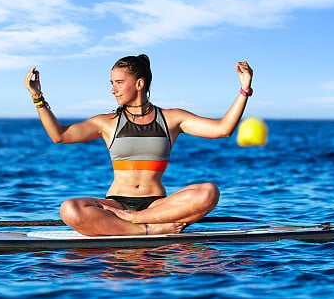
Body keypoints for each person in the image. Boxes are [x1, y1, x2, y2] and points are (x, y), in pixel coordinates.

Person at [24, 54, 254, 237]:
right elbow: (60, 135)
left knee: (208, 192)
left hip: (157, 206)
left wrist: (244, 90)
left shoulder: (172, 119)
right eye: (112, 83)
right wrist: (38, 97)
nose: (113, 89)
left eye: (119, 83)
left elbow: (223, 129)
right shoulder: (107, 122)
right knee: (70, 209)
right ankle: (145, 229)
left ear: (139, 83)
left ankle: (135, 221)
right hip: (117, 204)